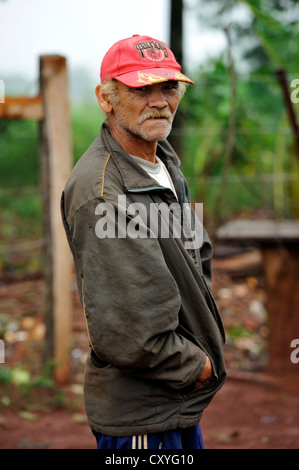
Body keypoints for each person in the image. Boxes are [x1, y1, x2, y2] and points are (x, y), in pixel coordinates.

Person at [61, 34, 226, 450]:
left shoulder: (163, 161)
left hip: (176, 402)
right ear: (107, 98)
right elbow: (132, 335)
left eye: (169, 87)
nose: (159, 101)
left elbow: (195, 255)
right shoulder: (103, 192)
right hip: (143, 417)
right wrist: (199, 365)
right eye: (141, 88)